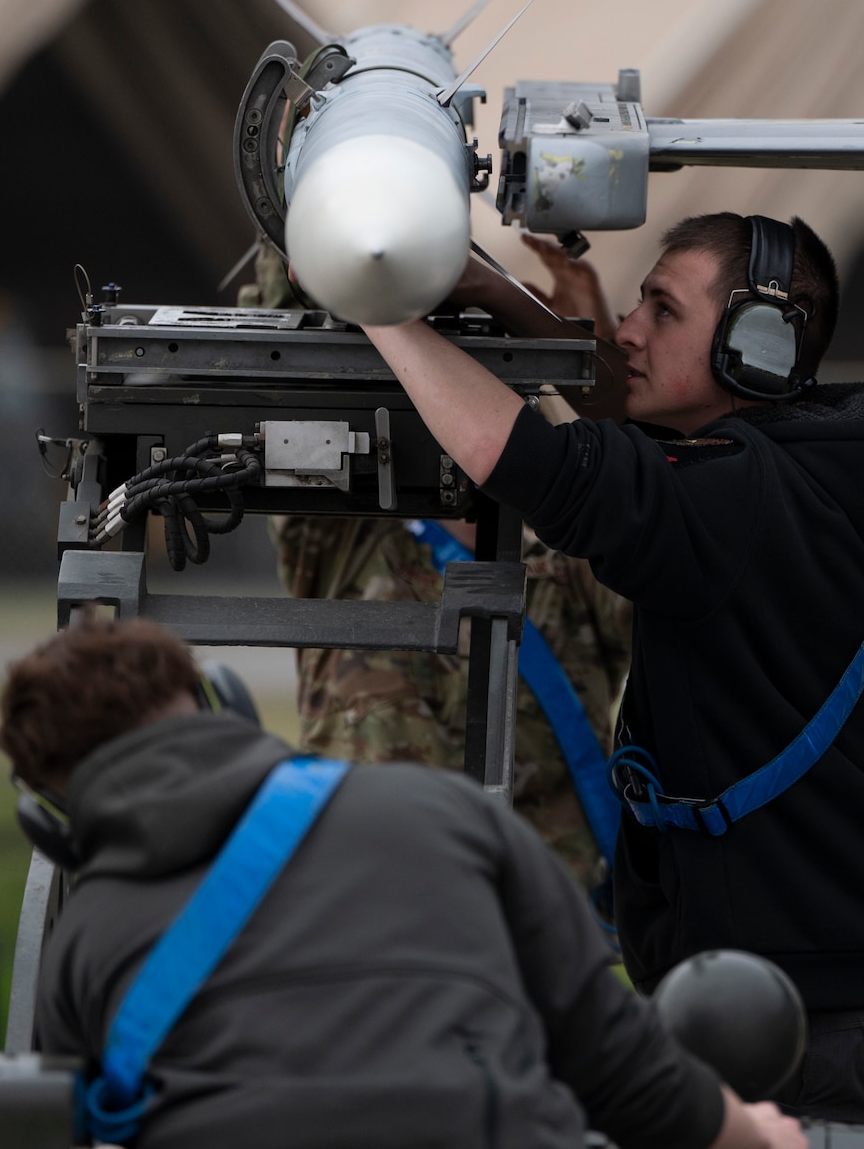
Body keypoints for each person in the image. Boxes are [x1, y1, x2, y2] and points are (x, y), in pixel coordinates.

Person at [361, 212, 864, 1149]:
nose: (630, 331)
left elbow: (537, 463)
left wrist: (376, 307)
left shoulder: (741, 498)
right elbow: (635, 439)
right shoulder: (812, 463)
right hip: (818, 1005)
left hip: (811, 1031)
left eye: (661, 309)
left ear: (756, 348)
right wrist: (503, 298)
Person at [3, 618, 804, 1149]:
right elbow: (615, 1058)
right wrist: (746, 1134)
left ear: (52, 817)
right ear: (222, 705)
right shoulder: (444, 812)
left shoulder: (82, 940)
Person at [256, 237, 631, 894]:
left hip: (534, 938)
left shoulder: (575, 562)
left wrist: (599, 364)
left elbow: (664, 512)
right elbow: (285, 325)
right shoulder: (346, 532)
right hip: (366, 917)